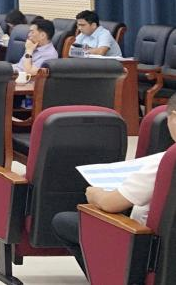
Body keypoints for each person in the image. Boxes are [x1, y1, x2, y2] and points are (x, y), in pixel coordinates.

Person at [52, 100, 176, 274]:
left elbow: (110, 204)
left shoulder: (166, 162)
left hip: (148, 247)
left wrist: (95, 194)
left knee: (63, 221)